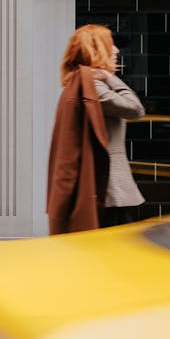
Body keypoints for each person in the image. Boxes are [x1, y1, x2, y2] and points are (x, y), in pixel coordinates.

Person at [47, 24, 145, 234]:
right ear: (96, 50)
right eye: (111, 45)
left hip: (109, 185)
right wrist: (111, 78)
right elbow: (135, 109)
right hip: (110, 188)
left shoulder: (83, 83)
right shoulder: (95, 86)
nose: (117, 51)